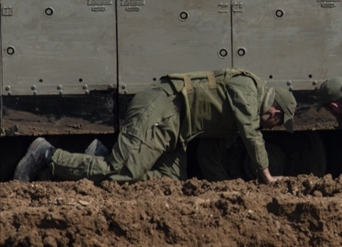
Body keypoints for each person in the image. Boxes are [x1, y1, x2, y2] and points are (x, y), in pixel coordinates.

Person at [14, 68, 296, 184]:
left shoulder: (236, 118)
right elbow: (251, 133)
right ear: (274, 111)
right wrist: (266, 175)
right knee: (124, 171)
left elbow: (209, 156)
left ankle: (100, 157)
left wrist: (227, 189)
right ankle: (47, 155)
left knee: (168, 181)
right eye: (278, 122)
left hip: (176, 131)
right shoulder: (248, 89)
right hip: (162, 109)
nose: (273, 127)